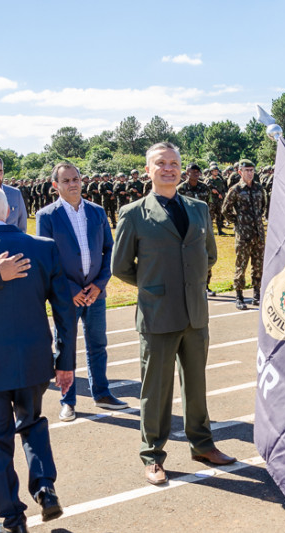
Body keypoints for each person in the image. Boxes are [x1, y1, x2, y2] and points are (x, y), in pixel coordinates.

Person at [111, 142, 236, 486]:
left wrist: (188, 284)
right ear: (148, 170)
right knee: (156, 390)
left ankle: (202, 444)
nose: (169, 169)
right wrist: (154, 286)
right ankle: (152, 455)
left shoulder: (198, 209)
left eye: (174, 163)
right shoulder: (133, 213)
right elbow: (120, 266)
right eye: (161, 163)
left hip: (195, 312)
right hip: (158, 314)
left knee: (196, 385)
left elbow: (209, 255)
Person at [0, 185, 74, 533]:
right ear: (11, 211)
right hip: (33, 361)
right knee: (32, 424)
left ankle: (13, 521)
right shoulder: (43, 247)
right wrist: (66, 362)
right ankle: (45, 489)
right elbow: (65, 309)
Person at [36, 162, 128, 422]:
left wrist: (99, 284)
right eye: (65, 181)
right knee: (65, 347)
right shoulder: (47, 216)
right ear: (55, 185)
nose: (72, 184)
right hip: (67, 295)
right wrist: (72, 289)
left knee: (98, 344)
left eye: (75, 178)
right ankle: (68, 401)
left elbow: (110, 251)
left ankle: (102, 393)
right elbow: (47, 259)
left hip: (96, 293)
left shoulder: (97, 212)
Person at [221, 159, 267, 309]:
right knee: (241, 266)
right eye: (247, 170)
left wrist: (257, 220)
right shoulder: (235, 190)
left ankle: (257, 295)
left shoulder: (259, 188)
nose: (250, 173)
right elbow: (225, 210)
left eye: (252, 170)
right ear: (240, 172)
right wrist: (238, 221)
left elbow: (263, 206)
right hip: (243, 235)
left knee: (258, 266)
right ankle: (239, 297)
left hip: (258, 234)